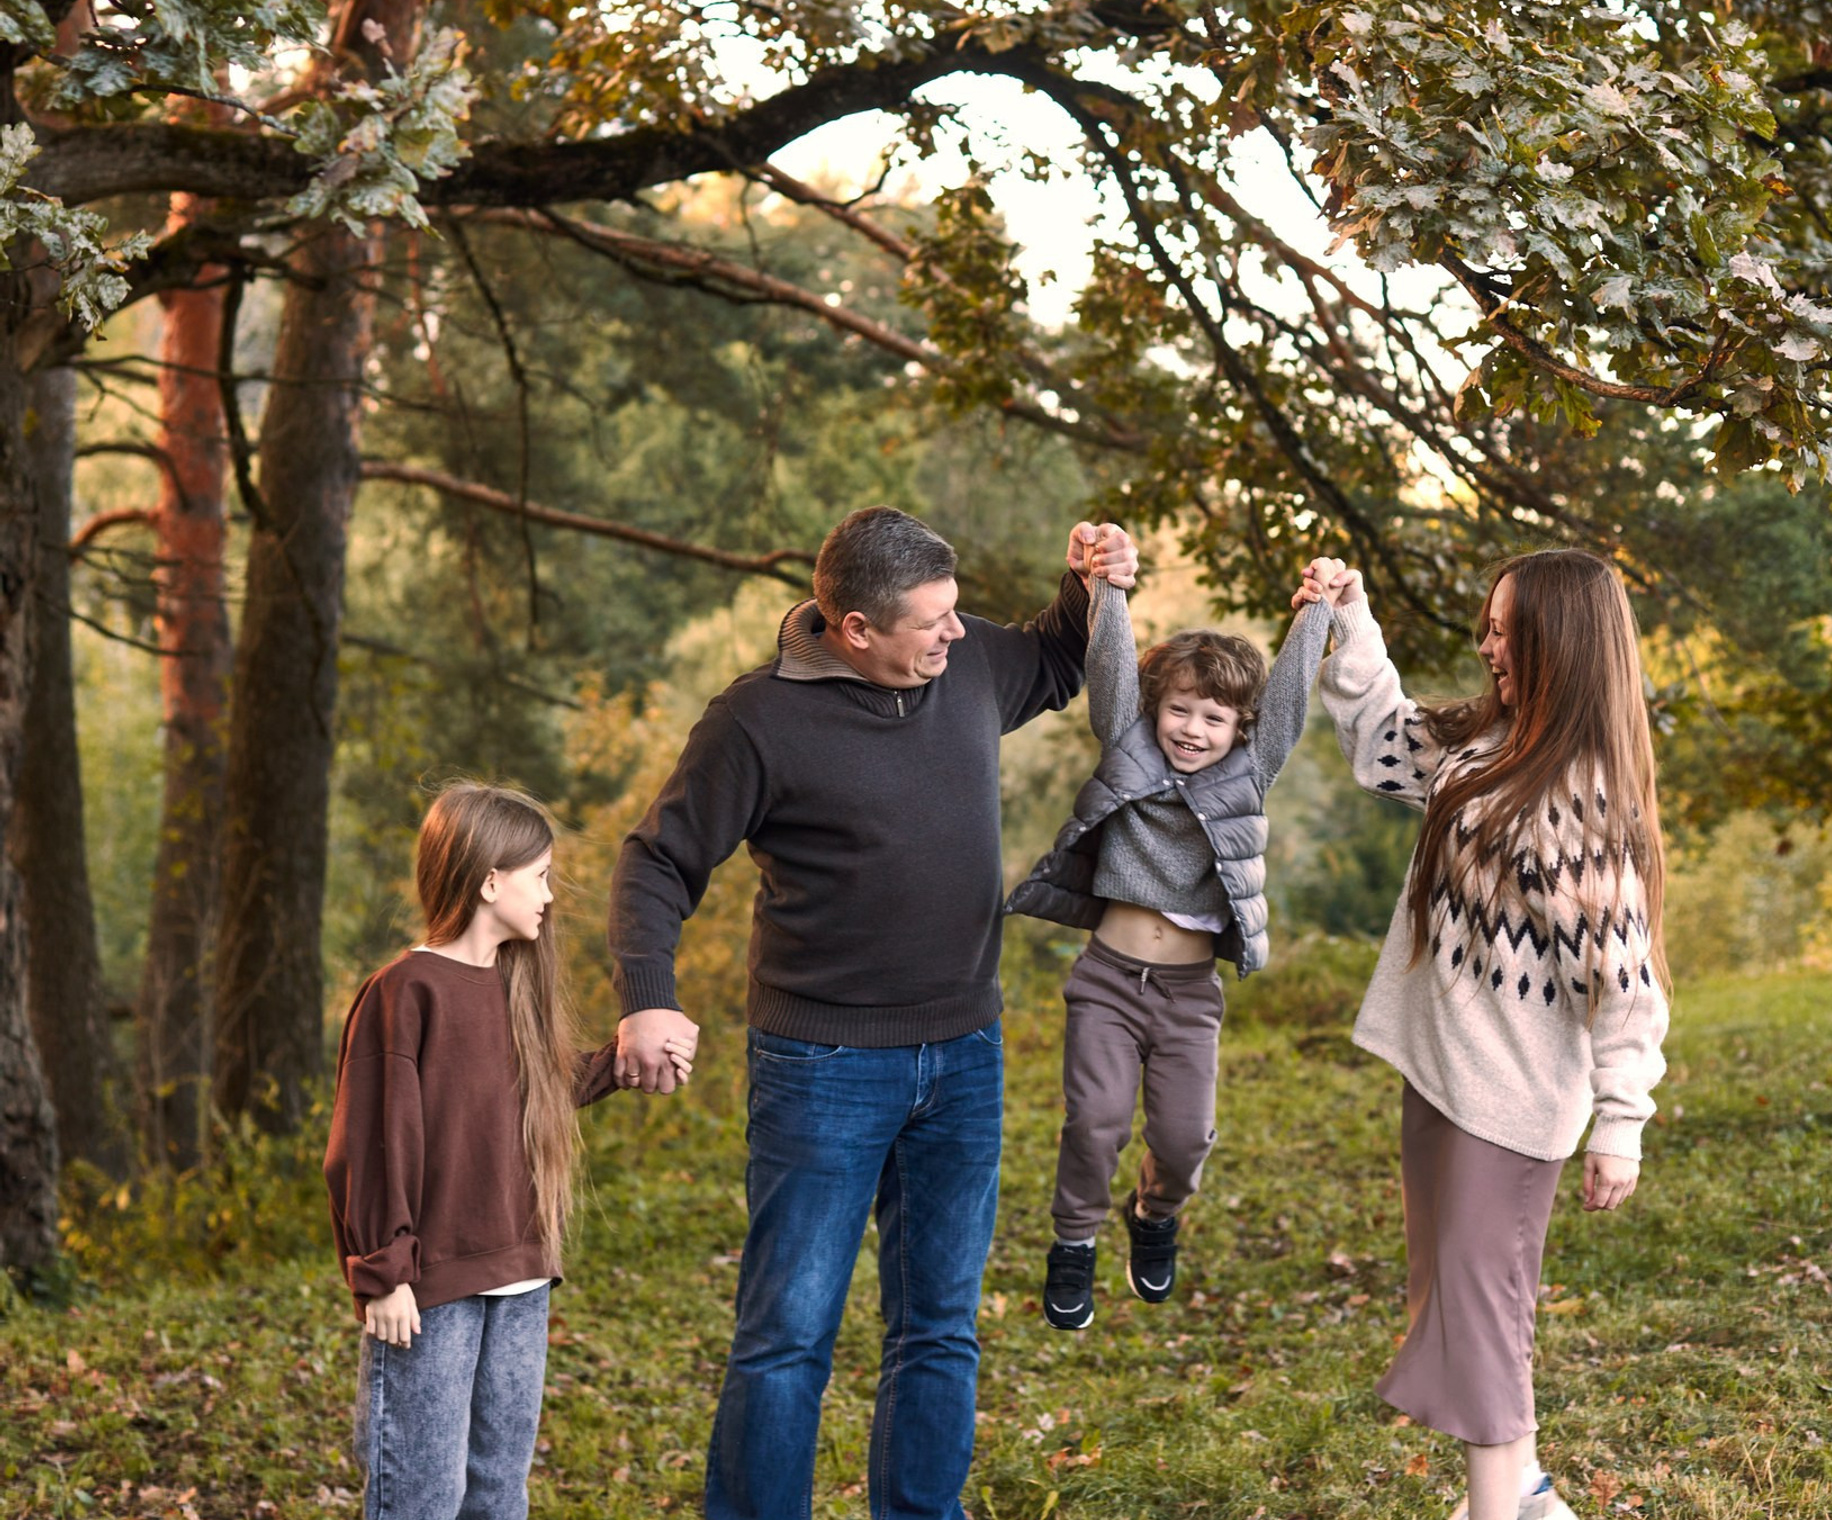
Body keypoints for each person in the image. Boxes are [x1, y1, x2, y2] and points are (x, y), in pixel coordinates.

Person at [607, 504, 1138, 1520]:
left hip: (965, 1055)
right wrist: (647, 1000)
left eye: (956, 614)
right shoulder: (755, 721)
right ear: (854, 627)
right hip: (821, 1065)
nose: (954, 634)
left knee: (939, 1327)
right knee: (788, 1338)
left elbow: (1058, 660)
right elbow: (656, 862)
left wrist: (1091, 577)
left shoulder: (969, 661)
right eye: (929, 622)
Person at [1300, 551, 1670, 1520]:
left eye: (1506, 629)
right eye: (1488, 626)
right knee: (1460, 1299)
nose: (1488, 644)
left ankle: (1496, 1509)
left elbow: (1626, 983)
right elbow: (1383, 740)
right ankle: (1530, 1486)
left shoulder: (1576, 799)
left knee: (1478, 1311)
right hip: (1443, 1076)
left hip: (1507, 1104)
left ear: (1558, 644)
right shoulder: (1487, 744)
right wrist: (1351, 614)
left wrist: (1622, 1123)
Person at [1003, 566, 1333, 1329]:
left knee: (1185, 1140)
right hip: (1109, 983)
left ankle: (1153, 1215)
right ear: (1155, 712)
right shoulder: (1129, 749)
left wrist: (1316, 607)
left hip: (1188, 998)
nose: (1192, 729)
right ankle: (1074, 1241)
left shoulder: (1250, 775)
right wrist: (1105, 583)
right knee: (1096, 1121)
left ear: (1240, 730)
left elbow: (1286, 697)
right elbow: (1113, 666)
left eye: (1214, 718)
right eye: (1180, 710)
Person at [324, 783, 651, 1520]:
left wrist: (624, 1059)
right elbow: (375, 1140)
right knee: (421, 1497)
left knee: (499, 1493)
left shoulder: (512, 987)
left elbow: (525, 1091)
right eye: (540, 876)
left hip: (520, 1278)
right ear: (490, 879)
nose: (549, 895)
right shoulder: (405, 992)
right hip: (430, 1290)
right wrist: (383, 1271)